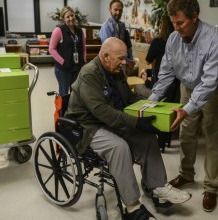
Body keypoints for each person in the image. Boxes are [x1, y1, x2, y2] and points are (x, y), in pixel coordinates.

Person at [65, 37, 191, 220]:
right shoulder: (89, 74)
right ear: (106, 56)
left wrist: (150, 108)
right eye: (121, 58)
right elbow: (101, 111)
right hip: (88, 125)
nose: (125, 62)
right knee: (119, 147)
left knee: (147, 139)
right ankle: (132, 206)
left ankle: (157, 187)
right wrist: (136, 122)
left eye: (125, 58)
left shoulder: (115, 70)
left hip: (113, 119)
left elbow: (128, 98)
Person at [148, 0, 218, 212]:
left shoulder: (216, 39)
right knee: (186, 132)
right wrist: (152, 101)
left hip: (212, 90)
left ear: (195, 16)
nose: (176, 28)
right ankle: (186, 174)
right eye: (173, 23)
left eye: (180, 23)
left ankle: (211, 187)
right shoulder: (173, 39)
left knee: (212, 136)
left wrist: (187, 108)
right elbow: (166, 73)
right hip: (187, 87)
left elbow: (209, 82)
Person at [134, 15, 180, 152]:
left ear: (161, 26)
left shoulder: (158, 41)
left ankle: (158, 142)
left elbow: (148, 60)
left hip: (160, 81)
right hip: (176, 81)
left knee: (158, 108)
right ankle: (166, 141)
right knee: (169, 110)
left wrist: (147, 72)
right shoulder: (179, 42)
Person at [49, 6, 86, 96]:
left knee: (76, 92)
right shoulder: (59, 31)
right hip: (63, 69)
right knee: (64, 94)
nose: (71, 18)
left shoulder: (80, 31)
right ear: (63, 19)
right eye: (67, 17)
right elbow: (51, 49)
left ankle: (73, 110)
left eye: (72, 15)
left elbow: (84, 48)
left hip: (77, 67)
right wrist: (63, 62)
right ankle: (63, 110)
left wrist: (83, 61)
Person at [99, 0, 135, 74]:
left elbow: (128, 45)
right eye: (115, 10)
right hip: (112, 64)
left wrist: (130, 61)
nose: (118, 13)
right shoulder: (106, 27)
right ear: (110, 9)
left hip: (123, 62)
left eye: (120, 10)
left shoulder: (122, 25)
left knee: (124, 83)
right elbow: (108, 50)